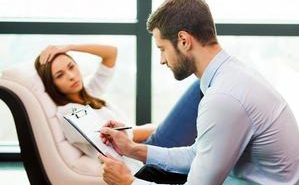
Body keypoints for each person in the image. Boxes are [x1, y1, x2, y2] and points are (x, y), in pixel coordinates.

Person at [99, 0, 299, 185]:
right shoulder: (232, 75)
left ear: (184, 40)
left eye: (162, 49)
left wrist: (128, 184)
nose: (161, 60)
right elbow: (197, 154)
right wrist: (132, 149)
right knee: (153, 173)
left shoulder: (223, 98)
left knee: (143, 180)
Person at [34, 44, 202, 163]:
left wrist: (68, 47)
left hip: (144, 144)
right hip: (142, 152)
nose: (71, 76)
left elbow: (111, 53)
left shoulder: (89, 92)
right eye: (60, 75)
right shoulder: (69, 113)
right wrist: (158, 128)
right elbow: (117, 138)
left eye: (71, 66)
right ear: (51, 84)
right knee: (199, 87)